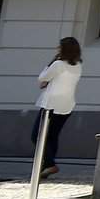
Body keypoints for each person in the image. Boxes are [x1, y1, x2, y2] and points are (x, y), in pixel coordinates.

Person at [33, 38, 82, 179]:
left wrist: (51, 63)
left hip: (51, 104)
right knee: (52, 136)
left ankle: (50, 164)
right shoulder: (78, 65)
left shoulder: (58, 64)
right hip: (67, 105)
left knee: (37, 135)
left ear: (63, 49)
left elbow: (42, 78)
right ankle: (46, 166)